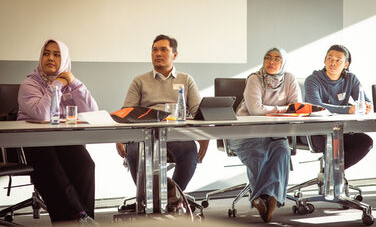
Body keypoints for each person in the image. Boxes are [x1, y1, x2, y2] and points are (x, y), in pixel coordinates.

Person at [17, 39, 99, 224]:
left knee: (86, 164)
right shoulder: (29, 84)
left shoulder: (71, 84)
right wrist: (57, 84)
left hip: (62, 139)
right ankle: (77, 216)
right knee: (51, 165)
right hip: (33, 142)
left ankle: (86, 217)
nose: (50, 58)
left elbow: (92, 113)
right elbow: (43, 114)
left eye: (56, 54)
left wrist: (75, 83)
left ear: (65, 59)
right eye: (46, 53)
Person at [116, 34, 209, 193]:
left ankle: (174, 195)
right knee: (134, 152)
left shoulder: (186, 79)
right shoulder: (140, 81)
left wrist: (204, 137)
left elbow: (198, 112)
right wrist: (119, 138)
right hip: (144, 135)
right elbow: (127, 112)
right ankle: (147, 196)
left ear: (175, 54)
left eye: (163, 50)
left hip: (175, 135)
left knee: (189, 150)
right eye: (154, 50)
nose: (158, 54)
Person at [227, 47, 301, 223]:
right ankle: (267, 196)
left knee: (282, 151)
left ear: (283, 62)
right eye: (268, 58)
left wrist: (286, 110)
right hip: (245, 132)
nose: (271, 62)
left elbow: (297, 107)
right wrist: (284, 109)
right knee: (259, 150)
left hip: (275, 133)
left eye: (277, 59)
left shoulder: (289, 79)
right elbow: (255, 110)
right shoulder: (255, 78)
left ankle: (262, 197)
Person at [304, 44, 373, 170]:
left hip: (339, 130)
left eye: (338, 60)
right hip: (313, 131)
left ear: (345, 65)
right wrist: (348, 110)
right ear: (324, 60)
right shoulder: (312, 80)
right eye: (329, 58)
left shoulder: (351, 79)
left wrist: (366, 106)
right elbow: (316, 106)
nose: (332, 63)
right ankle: (334, 180)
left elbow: (365, 101)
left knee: (366, 142)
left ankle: (332, 173)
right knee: (334, 146)